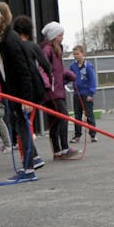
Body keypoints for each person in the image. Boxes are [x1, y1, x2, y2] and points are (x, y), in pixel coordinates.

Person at [0, 2, 42, 183]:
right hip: (11, 92)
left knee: (23, 127)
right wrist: (5, 94)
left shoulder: (11, 39)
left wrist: (26, 99)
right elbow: (3, 72)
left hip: (22, 92)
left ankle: (29, 168)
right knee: (19, 126)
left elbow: (23, 70)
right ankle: (31, 162)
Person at [11, 15, 49, 169]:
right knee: (26, 123)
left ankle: (31, 157)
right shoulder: (33, 46)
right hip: (35, 90)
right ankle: (30, 156)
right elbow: (46, 66)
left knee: (24, 125)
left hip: (25, 91)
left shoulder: (16, 47)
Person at [39, 21, 77, 159]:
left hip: (57, 90)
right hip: (53, 91)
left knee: (54, 121)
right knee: (63, 117)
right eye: (61, 35)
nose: (62, 38)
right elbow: (42, 69)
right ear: (54, 36)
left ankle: (57, 151)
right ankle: (64, 148)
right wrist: (47, 84)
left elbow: (57, 71)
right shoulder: (47, 50)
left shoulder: (56, 50)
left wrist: (68, 75)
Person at [69, 44, 98, 143]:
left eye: (77, 54)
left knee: (89, 114)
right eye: (74, 54)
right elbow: (69, 77)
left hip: (86, 94)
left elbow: (92, 80)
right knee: (77, 116)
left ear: (82, 54)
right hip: (77, 94)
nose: (76, 56)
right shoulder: (73, 66)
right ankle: (77, 135)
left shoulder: (88, 66)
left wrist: (91, 93)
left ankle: (93, 134)